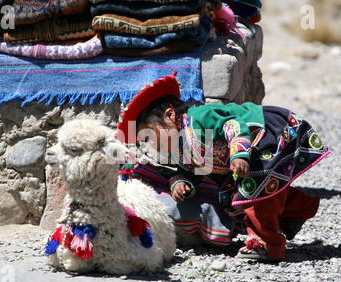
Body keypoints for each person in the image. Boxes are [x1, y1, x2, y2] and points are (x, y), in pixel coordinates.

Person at [116, 71, 329, 261]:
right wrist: (181, 183)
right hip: (248, 153)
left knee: (253, 192)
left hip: (264, 134)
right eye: (145, 140)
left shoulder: (199, 118)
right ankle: (299, 210)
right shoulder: (180, 150)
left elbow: (233, 124)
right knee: (266, 190)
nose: (151, 142)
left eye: (150, 133)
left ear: (170, 116)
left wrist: (239, 152)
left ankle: (268, 245)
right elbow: (189, 171)